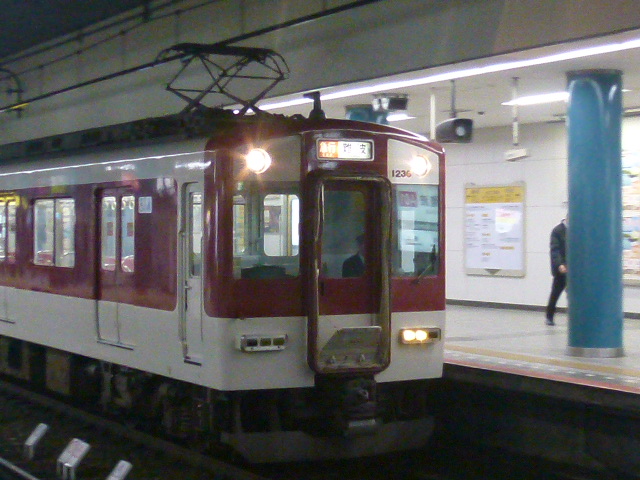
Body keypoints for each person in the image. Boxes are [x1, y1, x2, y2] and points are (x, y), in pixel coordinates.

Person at [545, 219, 567, 326]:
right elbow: (555, 250)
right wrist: (559, 264)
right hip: (561, 269)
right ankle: (549, 316)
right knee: (555, 293)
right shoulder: (558, 230)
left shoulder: (576, 230)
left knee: (574, 294)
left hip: (574, 268)